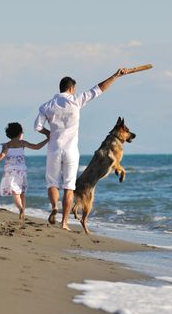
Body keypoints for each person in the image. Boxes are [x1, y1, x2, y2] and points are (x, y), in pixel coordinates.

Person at [34, 68, 128, 231]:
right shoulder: (76, 100)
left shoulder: (46, 106)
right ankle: (64, 223)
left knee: (52, 184)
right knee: (69, 187)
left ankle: (55, 208)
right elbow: (99, 89)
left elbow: (37, 127)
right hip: (71, 151)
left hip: (54, 149)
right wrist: (116, 75)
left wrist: (48, 133)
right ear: (71, 89)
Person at [0, 122, 49, 221]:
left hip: (10, 171)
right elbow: (37, 147)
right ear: (20, 133)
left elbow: (1, 156)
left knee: (15, 193)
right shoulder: (22, 143)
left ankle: (20, 209)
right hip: (21, 171)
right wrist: (47, 139)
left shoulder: (6, 145)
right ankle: (23, 211)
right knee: (21, 192)